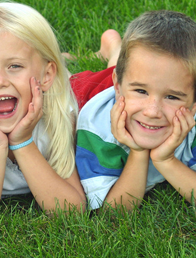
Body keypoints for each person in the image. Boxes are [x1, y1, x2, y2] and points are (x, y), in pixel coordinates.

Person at [0, 1, 85, 219]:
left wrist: (22, 142)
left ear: (46, 76)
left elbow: (71, 210)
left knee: (98, 81)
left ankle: (111, 48)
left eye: (15, 66)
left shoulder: (61, 113)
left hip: (70, 88)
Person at [72, 10, 196, 211]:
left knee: (131, 72)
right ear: (117, 87)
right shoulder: (96, 127)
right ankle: (113, 48)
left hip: (128, 87)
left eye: (171, 97)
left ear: (193, 104)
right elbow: (113, 213)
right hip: (93, 89)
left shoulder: (192, 123)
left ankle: (115, 49)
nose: (152, 111)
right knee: (64, 78)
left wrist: (166, 160)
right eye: (141, 91)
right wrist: (138, 153)